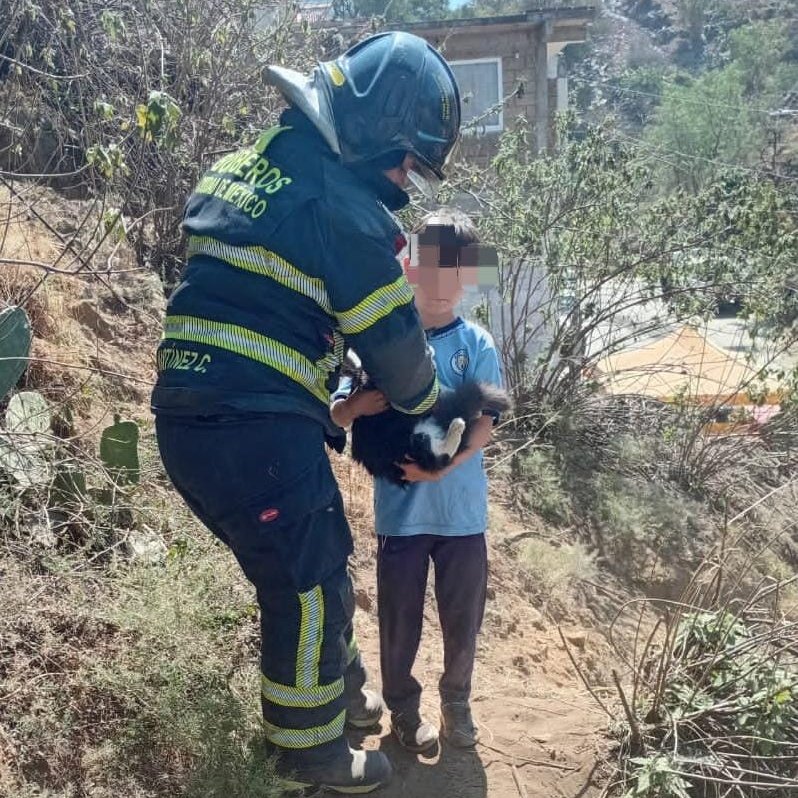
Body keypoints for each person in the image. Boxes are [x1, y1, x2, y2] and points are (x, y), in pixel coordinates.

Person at [151, 33, 461, 794]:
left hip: (189, 418)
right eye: (406, 160)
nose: (403, 180)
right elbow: (398, 351)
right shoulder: (344, 210)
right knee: (309, 581)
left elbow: (265, 301)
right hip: (251, 428)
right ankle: (308, 758)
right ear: (373, 133)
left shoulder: (247, 167)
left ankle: (342, 694)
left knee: (305, 556)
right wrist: (424, 403)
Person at [331, 208, 503, 754]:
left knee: (462, 618)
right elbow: (337, 413)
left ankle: (457, 700)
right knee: (398, 618)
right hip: (401, 516)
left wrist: (445, 466)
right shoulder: (382, 338)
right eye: (437, 265)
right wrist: (357, 404)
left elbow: (486, 425)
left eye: (460, 268)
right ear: (413, 265)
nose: (447, 279)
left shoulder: (476, 343)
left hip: (462, 514)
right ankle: (403, 709)